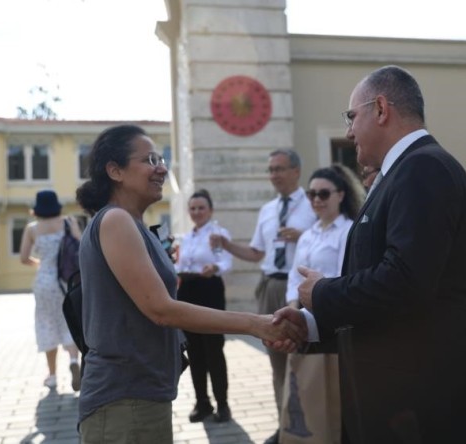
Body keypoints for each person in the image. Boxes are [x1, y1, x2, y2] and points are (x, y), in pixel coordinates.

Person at [275, 65, 466, 443]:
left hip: (431, 406)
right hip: (409, 403)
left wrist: (322, 294)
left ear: (381, 109)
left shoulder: (423, 168)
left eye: (352, 117)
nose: (349, 130)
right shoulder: (403, 172)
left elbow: (405, 281)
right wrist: (314, 322)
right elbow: (392, 292)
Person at [74, 124, 302, 442]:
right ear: (115, 170)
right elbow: (161, 310)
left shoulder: (134, 224)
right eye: (150, 159)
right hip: (124, 399)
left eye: (161, 159)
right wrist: (255, 324)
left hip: (142, 393)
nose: (162, 168)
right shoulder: (116, 221)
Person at [210, 149, 317, 444]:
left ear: (296, 171)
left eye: (280, 169)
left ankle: (310, 421)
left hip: (299, 288)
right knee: (276, 357)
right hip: (270, 286)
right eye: (270, 170)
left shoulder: (313, 203)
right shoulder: (268, 210)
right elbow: (257, 253)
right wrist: (227, 245)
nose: (274, 175)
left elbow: (326, 235)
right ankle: (283, 425)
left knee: (304, 358)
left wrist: (302, 235)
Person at [360, 163, 466, 339]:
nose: (366, 183)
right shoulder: (381, 228)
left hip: (443, 349)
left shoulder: (457, 230)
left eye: (370, 174)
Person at [281, 165, 364, 444]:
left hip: (334, 323)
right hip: (304, 321)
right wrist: (294, 308)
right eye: (311, 193)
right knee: (310, 387)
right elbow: (294, 277)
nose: (317, 199)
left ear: (340, 195)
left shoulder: (349, 231)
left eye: (323, 193)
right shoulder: (307, 235)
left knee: (339, 392)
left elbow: (344, 276)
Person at [177, 189, 233, 423]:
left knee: (213, 349)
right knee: (194, 350)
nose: (197, 212)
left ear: (210, 210)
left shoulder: (217, 234)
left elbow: (225, 261)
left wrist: (215, 267)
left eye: (201, 208)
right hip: (187, 291)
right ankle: (202, 402)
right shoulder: (186, 238)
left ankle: (222, 404)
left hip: (209, 290)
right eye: (193, 208)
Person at [19, 189, 82, 392]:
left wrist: (40, 263)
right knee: (69, 322)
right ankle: (73, 360)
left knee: (47, 324)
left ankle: (53, 376)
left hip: (44, 282)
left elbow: (23, 258)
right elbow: (80, 245)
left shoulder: (32, 228)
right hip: (67, 281)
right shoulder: (67, 222)